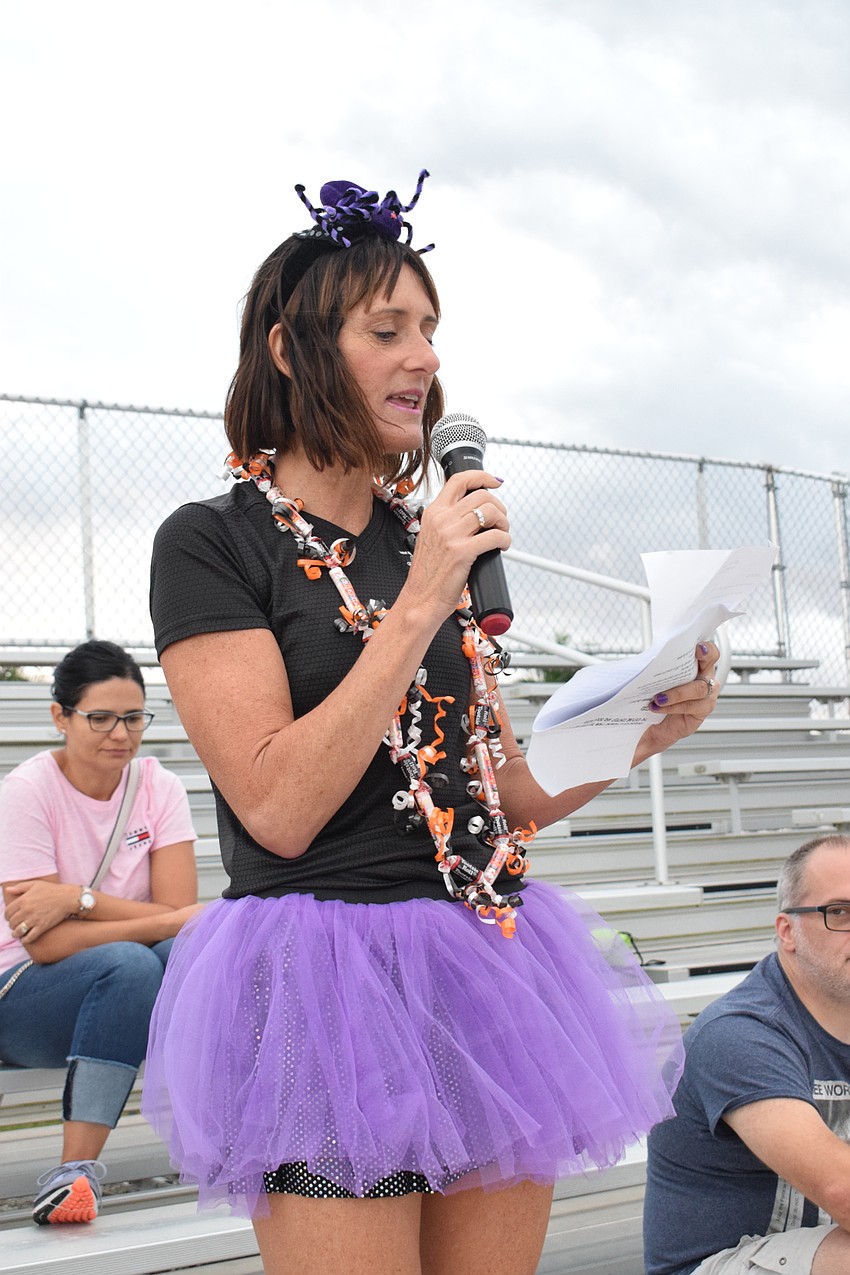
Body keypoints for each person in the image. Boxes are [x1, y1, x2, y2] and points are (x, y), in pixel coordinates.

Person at [141, 169, 720, 1275]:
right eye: (387, 329)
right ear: (288, 350)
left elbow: (504, 798)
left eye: (431, 330)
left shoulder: (429, 544)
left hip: (480, 966)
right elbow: (278, 804)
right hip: (318, 982)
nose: (425, 359)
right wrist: (417, 605)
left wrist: (640, 727)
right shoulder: (210, 542)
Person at [0, 640, 200, 1226]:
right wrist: (159, 920)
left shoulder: (157, 786)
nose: (121, 734)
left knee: (182, 956)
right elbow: (42, 943)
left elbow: (180, 920)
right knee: (139, 961)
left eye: (133, 717)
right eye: (101, 718)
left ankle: (245, 1139)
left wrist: (77, 899)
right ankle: (73, 1176)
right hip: (22, 999)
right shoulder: (27, 793)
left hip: (121, 993)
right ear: (61, 716)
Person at [644, 832, 850, 1275]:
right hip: (721, 1263)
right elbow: (841, 1188)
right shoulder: (740, 1034)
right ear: (787, 931)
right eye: (841, 912)